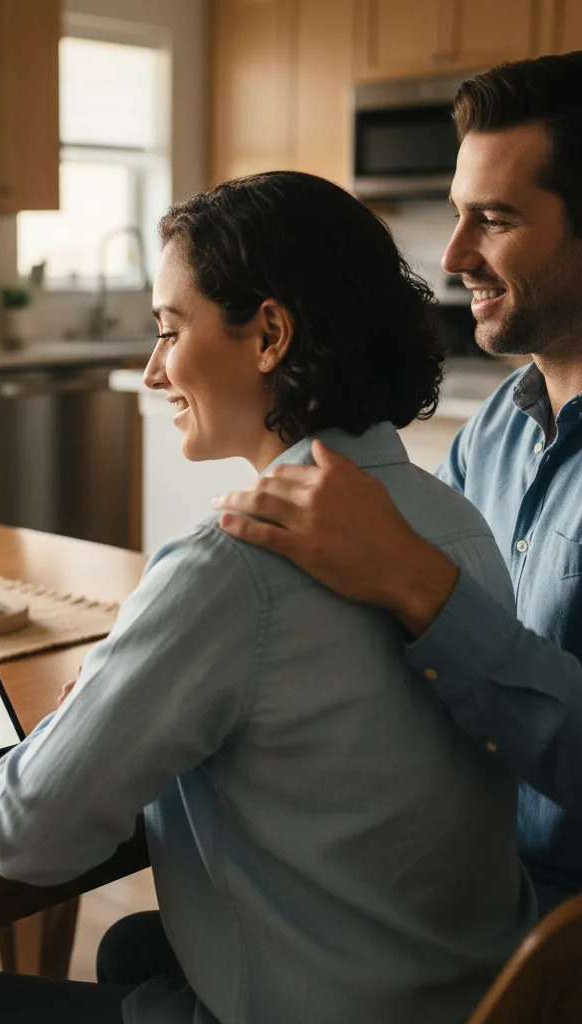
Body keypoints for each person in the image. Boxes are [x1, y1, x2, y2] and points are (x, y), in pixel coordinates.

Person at [0, 172, 533, 1024]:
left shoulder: (228, 567)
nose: (154, 369)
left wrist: (81, 707)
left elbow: (27, 837)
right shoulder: (458, 522)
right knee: (134, 947)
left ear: (269, 334)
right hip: (471, 995)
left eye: (170, 330)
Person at [214, 52, 582, 918]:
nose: (455, 256)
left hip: (555, 932)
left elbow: (414, 588)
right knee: (143, 948)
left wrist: (412, 578)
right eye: (457, 216)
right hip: (456, 873)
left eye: (493, 219)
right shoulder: (493, 429)